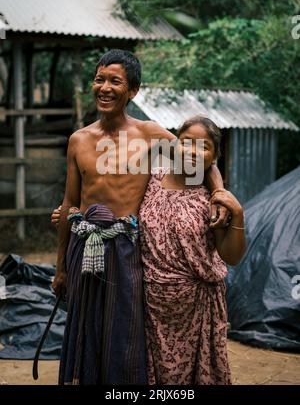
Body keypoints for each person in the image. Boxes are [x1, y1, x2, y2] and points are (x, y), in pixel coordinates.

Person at [51, 49, 229, 385]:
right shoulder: (78, 140)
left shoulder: (149, 133)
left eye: (114, 81)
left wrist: (219, 194)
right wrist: (60, 268)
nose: (104, 87)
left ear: (132, 91)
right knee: (84, 331)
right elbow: (69, 202)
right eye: (99, 79)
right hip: (83, 246)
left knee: (124, 333)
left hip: (127, 250)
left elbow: (201, 161)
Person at [139, 115, 245, 385]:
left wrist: (238, 215)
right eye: (186, 142)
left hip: (198, 310)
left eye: (204, 146)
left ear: (214, 156)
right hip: (152, 307)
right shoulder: (150, 179)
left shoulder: (213, 200)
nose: (193, 151)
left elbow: (231, 256)